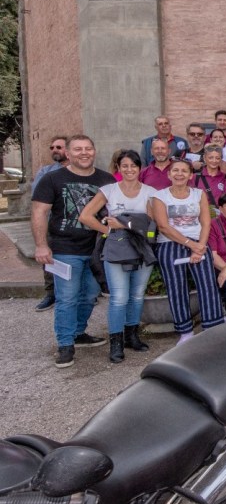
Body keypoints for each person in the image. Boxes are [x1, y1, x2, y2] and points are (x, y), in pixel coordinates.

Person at [31, 135, 116, 368]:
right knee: (67, 297)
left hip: (96, 249)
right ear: (68, 153)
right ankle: (65, 344)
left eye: (88, 148)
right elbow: (39, 212)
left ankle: (78, 332)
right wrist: (41, 245)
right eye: (78, 149)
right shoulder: (52, 179)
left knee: (89, 294)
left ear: (95, 151)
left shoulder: (106, 179)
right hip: (64, 249)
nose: (84, 153)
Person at [77, 149, 156, 363]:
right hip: (117, 247)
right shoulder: (109, 190)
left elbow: (150, 221)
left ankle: (132, 336)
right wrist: (108, 230)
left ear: (140, 168)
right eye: (125, 166)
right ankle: (116, 342)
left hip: (142, 247)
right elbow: (85, 216)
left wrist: (121, 222)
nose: (129, 170)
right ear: (118, 168)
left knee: (137, 295)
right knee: (119, 297)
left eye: (134, 166)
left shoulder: (150, 191)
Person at [151, 159, 224, 344]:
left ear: (191, 175)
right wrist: (191, 246)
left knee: (207, 284)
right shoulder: (160, 196)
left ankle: (212, 326)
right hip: (170, 243)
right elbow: (163, 226)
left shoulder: (199, 194)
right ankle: (185, 331)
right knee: (176, 286)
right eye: (175, 170)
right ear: (169, 174)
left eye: (184, 171)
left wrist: (201, 245)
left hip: (199, 241)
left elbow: (206, 222)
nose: (179, 174)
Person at [30, 136, 69, 312]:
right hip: (53, 222)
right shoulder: (45, 172)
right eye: (52, 147)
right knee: (49, 259)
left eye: (59, 147)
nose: (54, 150)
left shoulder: (83, 170)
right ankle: (51, 293)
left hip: (77, 222)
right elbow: (38, 200)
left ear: (68, 150)